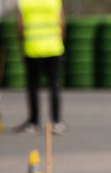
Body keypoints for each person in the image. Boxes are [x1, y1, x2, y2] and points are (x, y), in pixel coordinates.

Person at [15, 0, 66, 135]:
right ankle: (56, 122)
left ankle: (33, 122)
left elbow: (20, 26)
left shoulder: (25, 2)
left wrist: (21, 46)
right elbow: (62, 23)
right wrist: (61, 41)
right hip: (53, 48)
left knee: (33, 87)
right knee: (54, 86)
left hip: (32, 49)